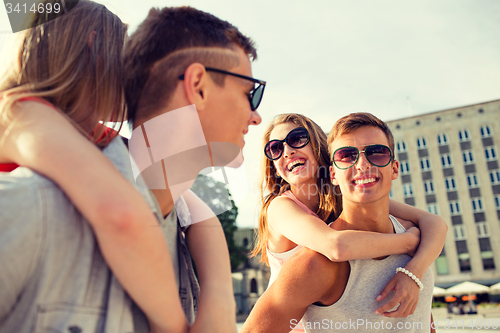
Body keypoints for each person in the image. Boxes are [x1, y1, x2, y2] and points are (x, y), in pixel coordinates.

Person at [0, 3, 261, 333]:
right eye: (249, 93)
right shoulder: (21, 122)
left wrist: (218, 287)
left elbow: (189, 210)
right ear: (94, 49)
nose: (128, 74)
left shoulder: (89, 141)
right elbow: (121, 214)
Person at [242, 113, 444, 332]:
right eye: (275, 149)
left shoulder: (347, 192)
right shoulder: (281, 206)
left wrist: (414, 271)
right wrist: (407, 242)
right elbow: (335, 246)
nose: (288, 151)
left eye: (297, 139)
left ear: (319, 147)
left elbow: (431, 221)